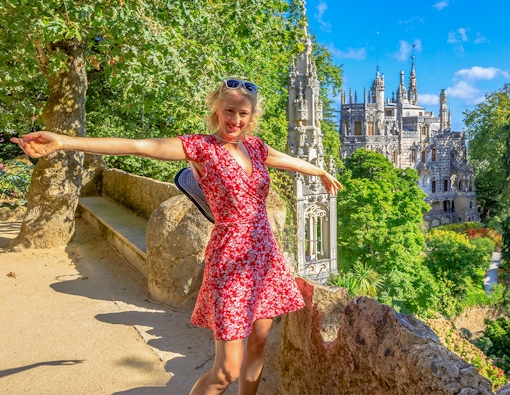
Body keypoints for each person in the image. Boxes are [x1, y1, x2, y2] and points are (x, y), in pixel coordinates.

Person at [12, 78, 342, 395]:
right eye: (229, 111)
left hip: (264, 258)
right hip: (231, 259)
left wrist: (322, 171)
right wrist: (64, 141)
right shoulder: (202, 147)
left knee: (258, 345)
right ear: (217, 109)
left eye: (243, 113)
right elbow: (138, 147)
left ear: (252, 117)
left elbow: (292, 162)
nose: (235, 119)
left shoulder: (255, 148)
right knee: (226, 370)